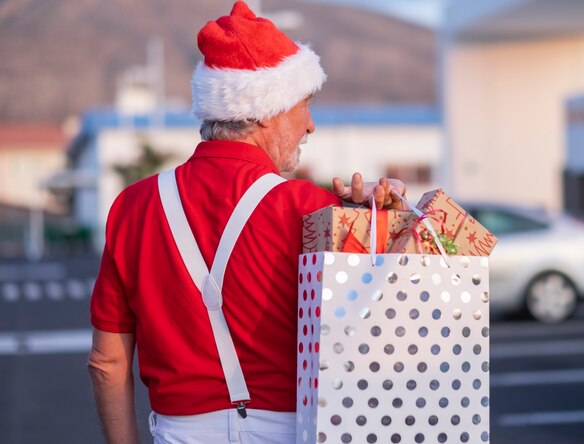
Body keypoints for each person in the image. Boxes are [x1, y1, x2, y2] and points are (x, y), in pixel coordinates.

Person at [87, 2, 406, 443]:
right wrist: (383, 214)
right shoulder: (312, 210)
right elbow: (381, 327)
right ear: (262, 110)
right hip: (290, 429)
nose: (310, 125)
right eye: (304, 104)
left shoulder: (132, 207)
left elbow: (107, 362)